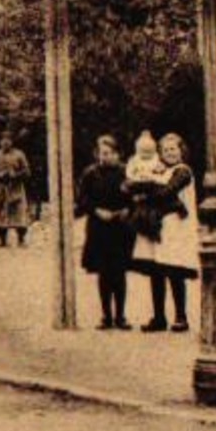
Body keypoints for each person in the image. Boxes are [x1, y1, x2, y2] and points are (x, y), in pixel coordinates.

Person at [129, 133, 198, 332]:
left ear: (181, 151)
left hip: (177, 227)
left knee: (175, 269)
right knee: (156, 270)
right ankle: (159, 317)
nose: (170, 153)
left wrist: (147, 187)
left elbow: (166, 191)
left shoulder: (183, 171)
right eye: (166, 150)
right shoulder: (159, 171)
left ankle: (181, 316)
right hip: (159, 226)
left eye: (173, 149)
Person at [75, 134, 134, 330]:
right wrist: (96, 210)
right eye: (102, 153)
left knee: (120, 272)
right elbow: (82, 199)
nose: (105, 157)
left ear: (118, 154)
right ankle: (106, 316)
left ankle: (121, 316)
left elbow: (136, 197)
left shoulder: (127, 172)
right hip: (99, 227)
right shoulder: (90, 174)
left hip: (121, 227)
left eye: (109, 153)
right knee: (104, 272)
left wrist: (127, 210)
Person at [0, 132, 32, 247]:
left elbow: (27, 172)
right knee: (1, 215)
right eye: (3, 140)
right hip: (1, 188)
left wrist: (16, 174)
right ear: (0, 142)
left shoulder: (19, 154)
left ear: (12, 141)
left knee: (19, 214)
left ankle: (21, 239)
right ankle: (2, 240)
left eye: (8, 140)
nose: (5, 142)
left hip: (16, 188)